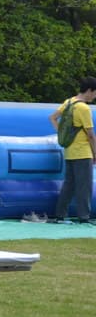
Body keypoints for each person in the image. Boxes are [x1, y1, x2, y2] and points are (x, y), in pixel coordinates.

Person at [50, 77, 96, 224]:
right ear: (89, 90)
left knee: (69, 185)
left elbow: (52, 117)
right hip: (83, 152)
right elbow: (90, 135)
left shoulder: (69, 102)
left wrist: (61, 134)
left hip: (69, 151)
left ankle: (60, 215)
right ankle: (84, 217)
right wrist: (95, 153)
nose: (94, 97)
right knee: (84, 186)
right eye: (95, 93)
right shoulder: (83, 108)